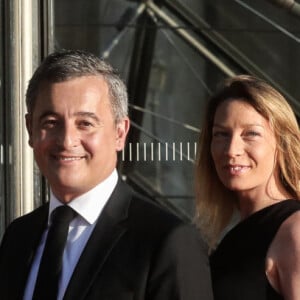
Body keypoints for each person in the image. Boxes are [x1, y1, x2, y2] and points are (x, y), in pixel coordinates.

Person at [0, 49, 213, 300]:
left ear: (120, 133)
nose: (67, 140)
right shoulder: (18, 237)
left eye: (85, 124)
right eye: (50, 122)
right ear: (30, 129)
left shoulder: (166, 242)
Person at [195, 74, 300, 300]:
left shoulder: (295, 232)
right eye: (221, 134)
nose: (231, 150)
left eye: (251, 134)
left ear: (282, 143)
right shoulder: (235, 234)